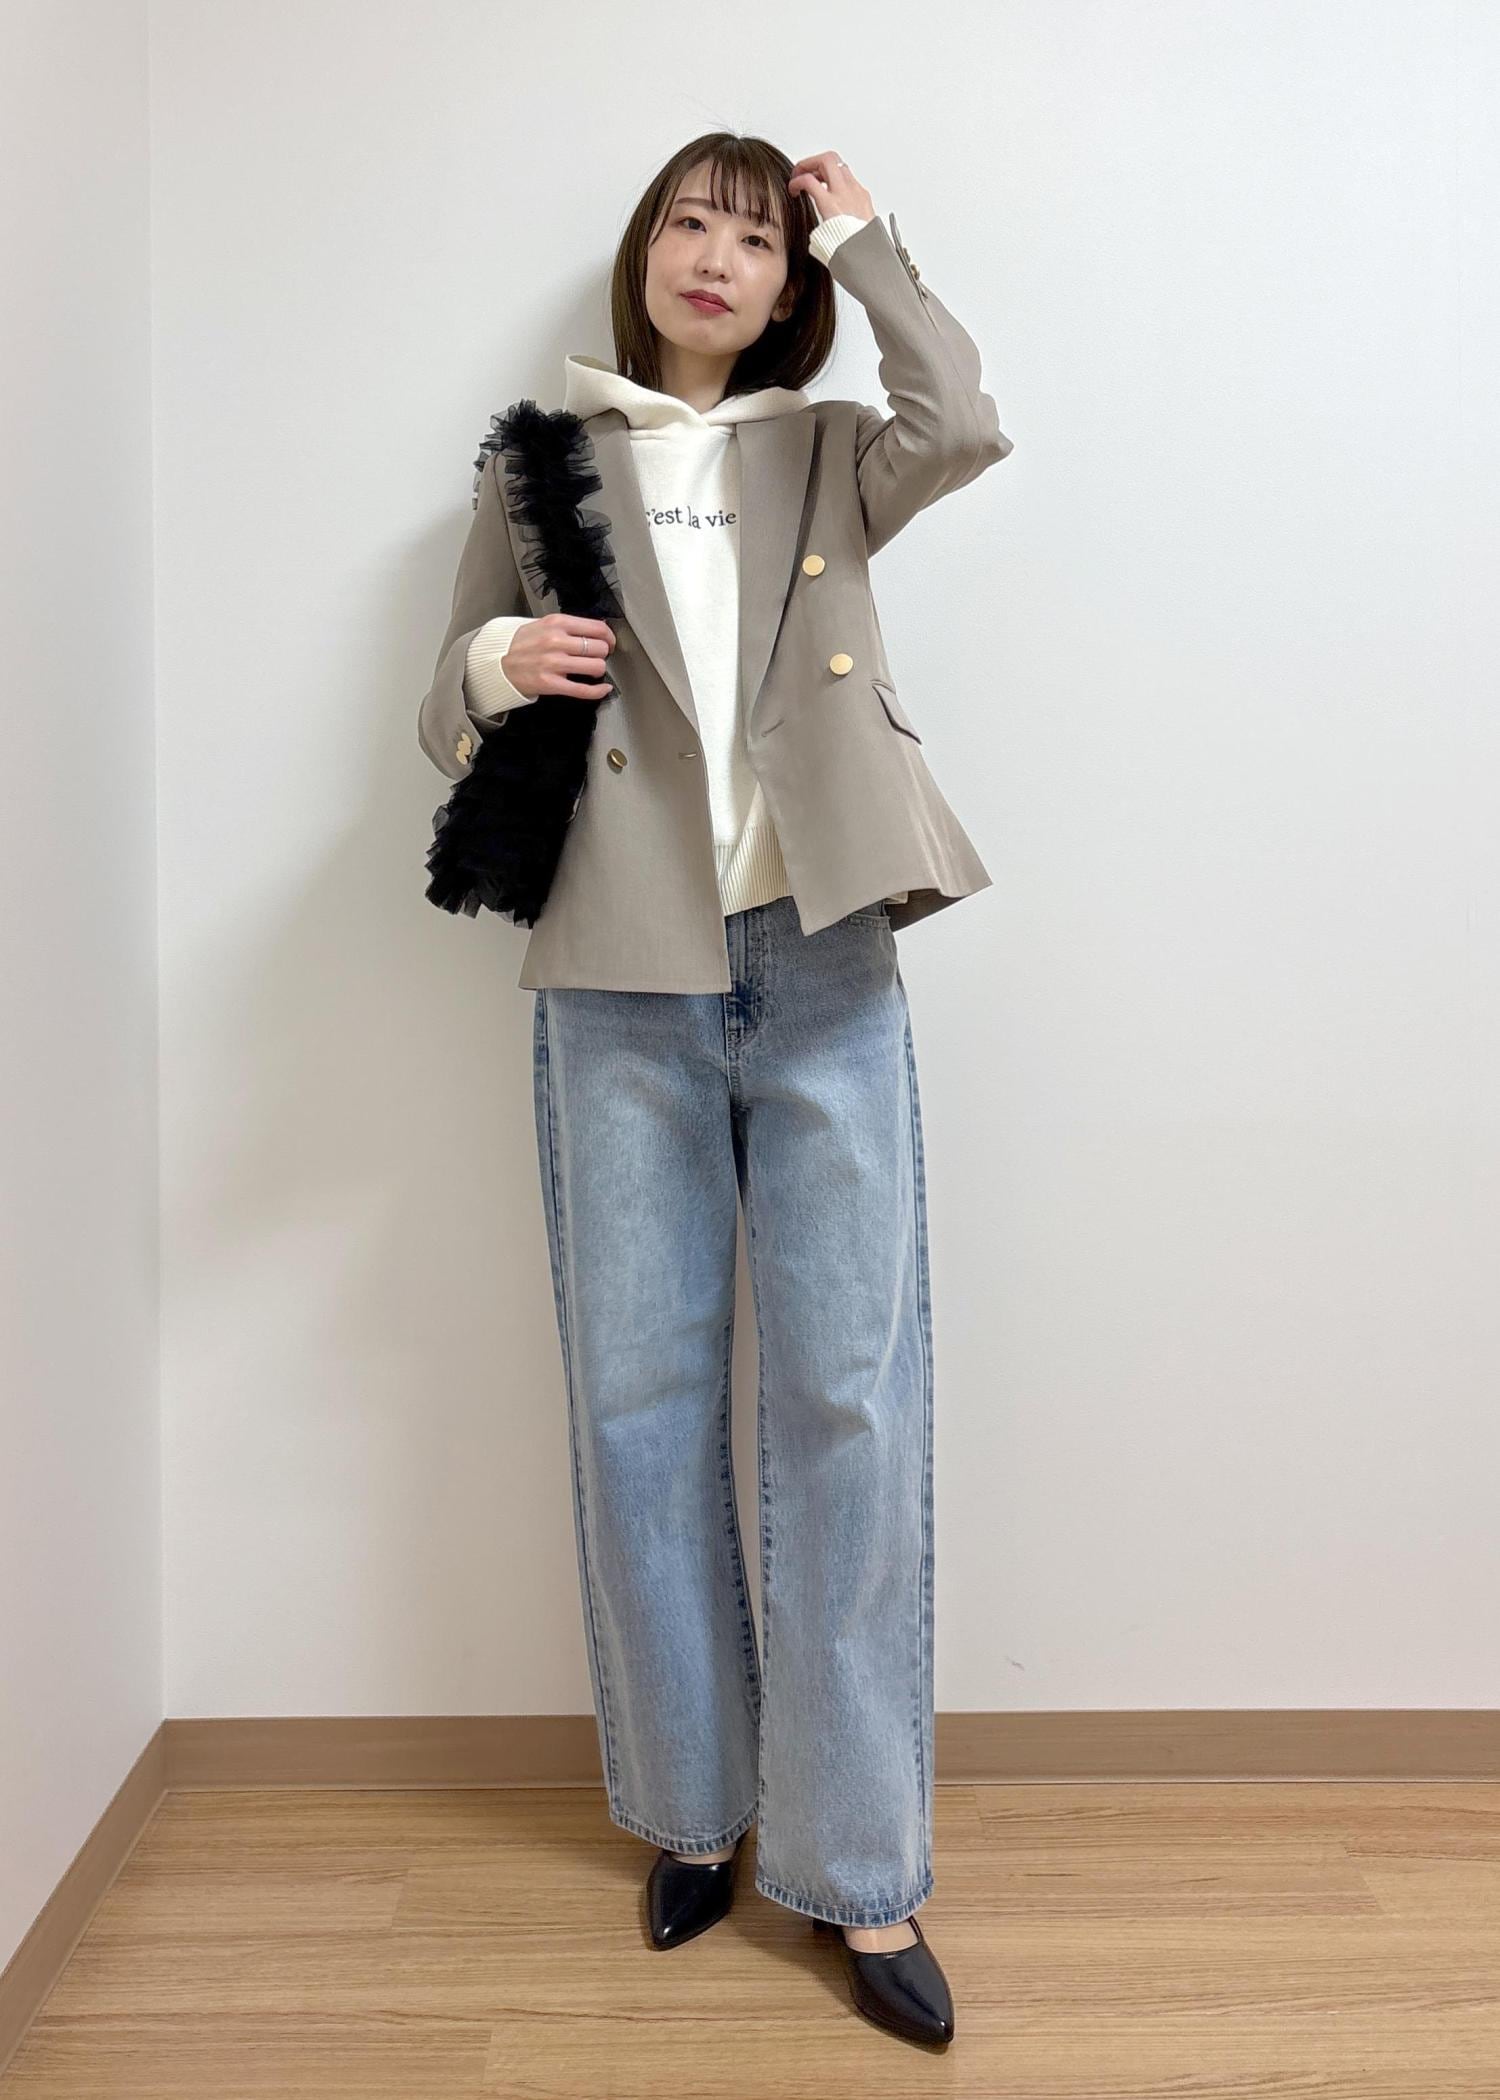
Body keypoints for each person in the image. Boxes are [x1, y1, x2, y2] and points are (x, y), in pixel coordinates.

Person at [417, 131, 1013, 2049]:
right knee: (641, 1402)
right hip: (620, 979)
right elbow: (440, 707)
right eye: (691, 220)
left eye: (756, 238)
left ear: (787, 287)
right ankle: (692, 1808)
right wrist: (500, 659)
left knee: (849, 1400)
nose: (716, 255)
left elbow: (965, 417)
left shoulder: (828, 448)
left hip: (821, 958)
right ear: (645, 251)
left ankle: (860, 1863)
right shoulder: (540, 464)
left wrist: (870, 235)